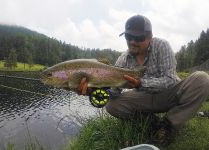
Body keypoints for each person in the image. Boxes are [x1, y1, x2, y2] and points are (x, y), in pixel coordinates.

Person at [77, 15, 209, 146]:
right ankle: (155, 124)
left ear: (150, 36)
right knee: (112, 105)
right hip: (144, 98)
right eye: (129, 37)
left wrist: (141, 83)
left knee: (202, 79)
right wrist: (95, 90)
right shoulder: (123, 59)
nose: (133, 42)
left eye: (139, 37)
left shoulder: (162, 46)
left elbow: (170, 80)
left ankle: (169, 125)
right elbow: (114, 91)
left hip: (169, 95)